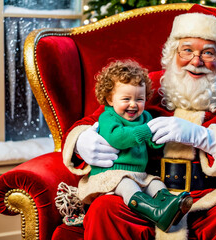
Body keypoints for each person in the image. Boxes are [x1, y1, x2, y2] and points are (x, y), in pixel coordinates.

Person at [62, 4, 216, 240]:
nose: (195, 61)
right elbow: (91, 122)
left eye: (208, 53)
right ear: (174, 52)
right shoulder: (147, 86)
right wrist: (81, 140)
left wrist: (205, 138)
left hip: (214, 198)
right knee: (105, 210)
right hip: (145, 195)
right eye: (186, 50)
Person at [77, 59, 193, 232]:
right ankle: (155, 212)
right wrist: (146, 131)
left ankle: (171, 206)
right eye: (126, 99)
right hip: (112, 175)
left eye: (140, 98)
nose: (133, 104)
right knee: (127, 186)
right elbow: (118, 138)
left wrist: (156, 140)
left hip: (138, 173)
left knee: (156, 184)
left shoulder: (145, 117)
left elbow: (150, 144)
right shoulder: (108, 118)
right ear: (110, 99)